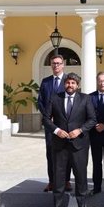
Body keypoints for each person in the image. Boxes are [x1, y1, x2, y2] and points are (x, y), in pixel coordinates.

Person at [43, 72, 96, 207]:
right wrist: (57, 130)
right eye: (67, 83)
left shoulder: (85, 98)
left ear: (77, 85)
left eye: (73, 83)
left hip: (79, 145)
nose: (70, 85)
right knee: (59, 177)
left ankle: (81, 206)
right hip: (59, 145)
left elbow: (92, 120)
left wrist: (80, 130)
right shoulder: (55, 98)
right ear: (64, 84)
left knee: (80, 176)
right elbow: (46, 119)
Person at [37, 54, 71, 192]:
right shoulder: (45, 82)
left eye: (58, 63)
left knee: (66, 152)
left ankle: (67, 181)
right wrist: (47, 116)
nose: (56, 65)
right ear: (51, 65)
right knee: (50, 152)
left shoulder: (69, 81)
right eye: (53, 63)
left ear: (63, 65)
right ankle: (52, 181)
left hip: (65, 123)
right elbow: (40, 101)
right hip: (50, 125)